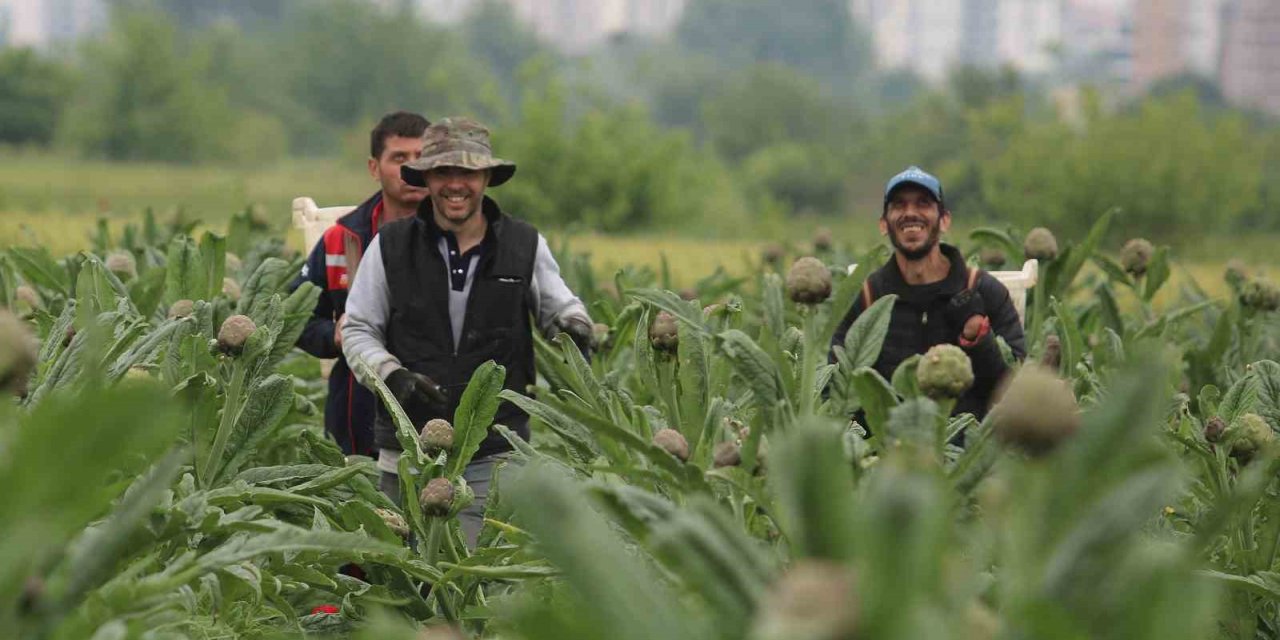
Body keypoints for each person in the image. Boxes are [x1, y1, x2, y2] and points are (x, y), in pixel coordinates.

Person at [342, 117, 594, 547]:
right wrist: (391, 376)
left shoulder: (523, 245)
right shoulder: (390, 246)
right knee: (402, 584)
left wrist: (576, 330)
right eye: (443, 172)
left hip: (493, 456)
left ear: (487, 178)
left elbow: (562, 310)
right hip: (405, 455)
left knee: (471, 584)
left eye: (468, 173)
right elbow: (358, 329)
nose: (455, 185)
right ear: (426, 177)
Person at [830, 166, 1026, 421]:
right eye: (899, 205)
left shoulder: (983, 290)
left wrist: (978, 338)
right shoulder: (866, 297)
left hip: (969, 451)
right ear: (883, 224)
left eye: (923, 204)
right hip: (887, 451)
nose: (910, 213)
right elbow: (837, 388)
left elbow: (1015, 389)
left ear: (944, 220)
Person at [288, 111, 432, 458]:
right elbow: (295, 316)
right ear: (374, 168)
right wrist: (333, 336)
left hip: (439, 414)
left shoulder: (466, 238)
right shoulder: (341, 239)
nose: (412, 169)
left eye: (422, 158)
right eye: (399, 158)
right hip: (357, 417)